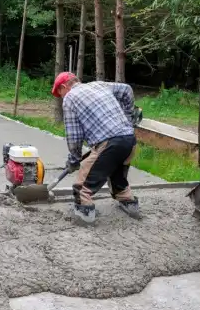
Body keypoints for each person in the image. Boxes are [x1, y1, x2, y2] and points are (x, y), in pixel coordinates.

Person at [52, 72, 142, 224]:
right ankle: (130, 204)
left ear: (63, 87)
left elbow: (74, 137)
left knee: (82, 187)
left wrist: (74, 159)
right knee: (117, 176)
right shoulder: (98, 84)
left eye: (60, 94)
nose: (61, 98)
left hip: (109, 144)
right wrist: (128, 117)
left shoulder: (70, 98)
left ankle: (85, 217)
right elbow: (127, 89)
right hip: (129, 140)